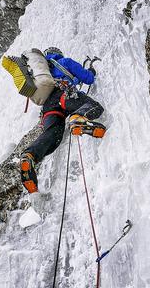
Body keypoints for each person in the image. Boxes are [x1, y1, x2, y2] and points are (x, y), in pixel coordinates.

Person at [19, 47, 106, 193]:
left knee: (53, 135)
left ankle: (30, 156)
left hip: (49, 108)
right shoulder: (64, 62)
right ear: (58, 54)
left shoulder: (39, 75)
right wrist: (91, 71)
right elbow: (88, 79)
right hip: (64, 95)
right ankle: (78, 119)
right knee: (93, 107)